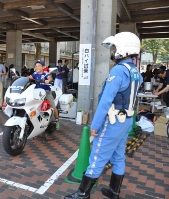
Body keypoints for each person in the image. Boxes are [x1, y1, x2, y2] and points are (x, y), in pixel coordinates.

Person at [64, 32, 142, 199]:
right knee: (118, 156)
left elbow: (106, 101)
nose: (112, 51)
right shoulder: (135, 70)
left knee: (97, 157)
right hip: (126, 121)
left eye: (114, 48)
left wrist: (95, 125)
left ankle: (83, 193)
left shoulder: (119, 71)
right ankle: (114, 192)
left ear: (123, 50)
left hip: (113, 122)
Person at [28, 60, 60, 130]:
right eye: (36, 66)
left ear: (43, 67)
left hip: (46, 92)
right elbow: (29, 77)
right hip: (37, 93)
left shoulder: (45, 74)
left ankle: (57, 121)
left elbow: (50, 77)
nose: (37, 67)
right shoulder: (34, 74)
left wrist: (48, 81)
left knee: (53, 106)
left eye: (39, 66)